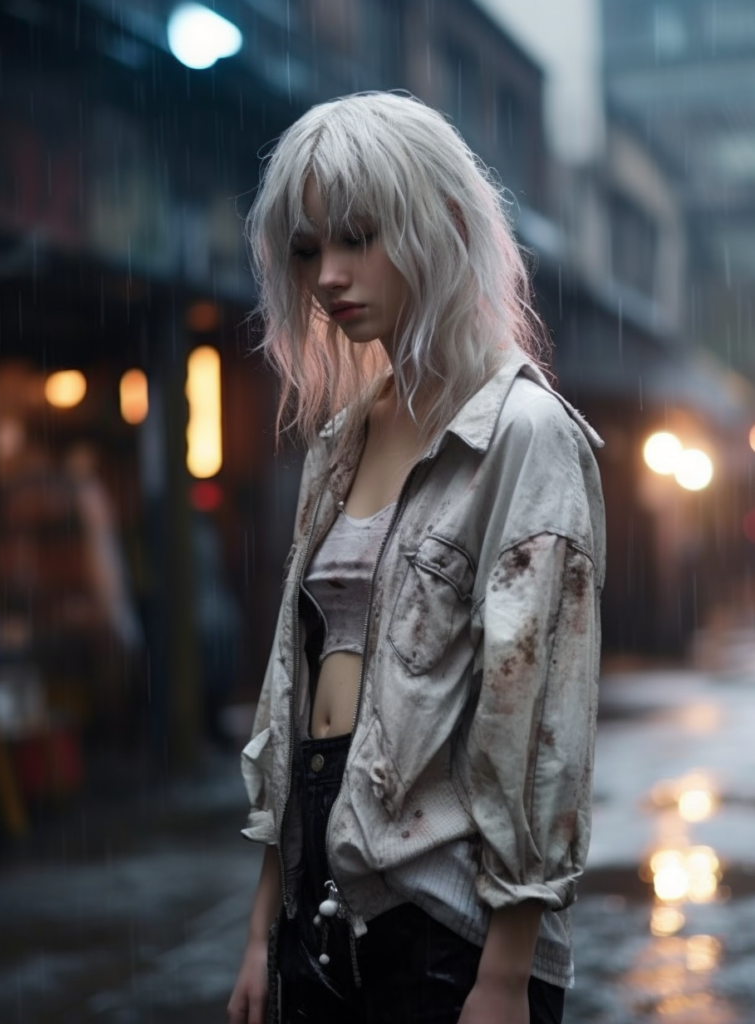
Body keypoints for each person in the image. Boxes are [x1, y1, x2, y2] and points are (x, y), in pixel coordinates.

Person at [228, 91, 605, 1024]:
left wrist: (506, 974)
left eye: (356, 236)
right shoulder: (342, 442)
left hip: (450, 936)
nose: (326, 276)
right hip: (320, 918)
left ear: (436, 223)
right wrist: (256, 931)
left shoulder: (521, 436)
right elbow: (291, 694)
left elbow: (540, 723)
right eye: (308, 248)